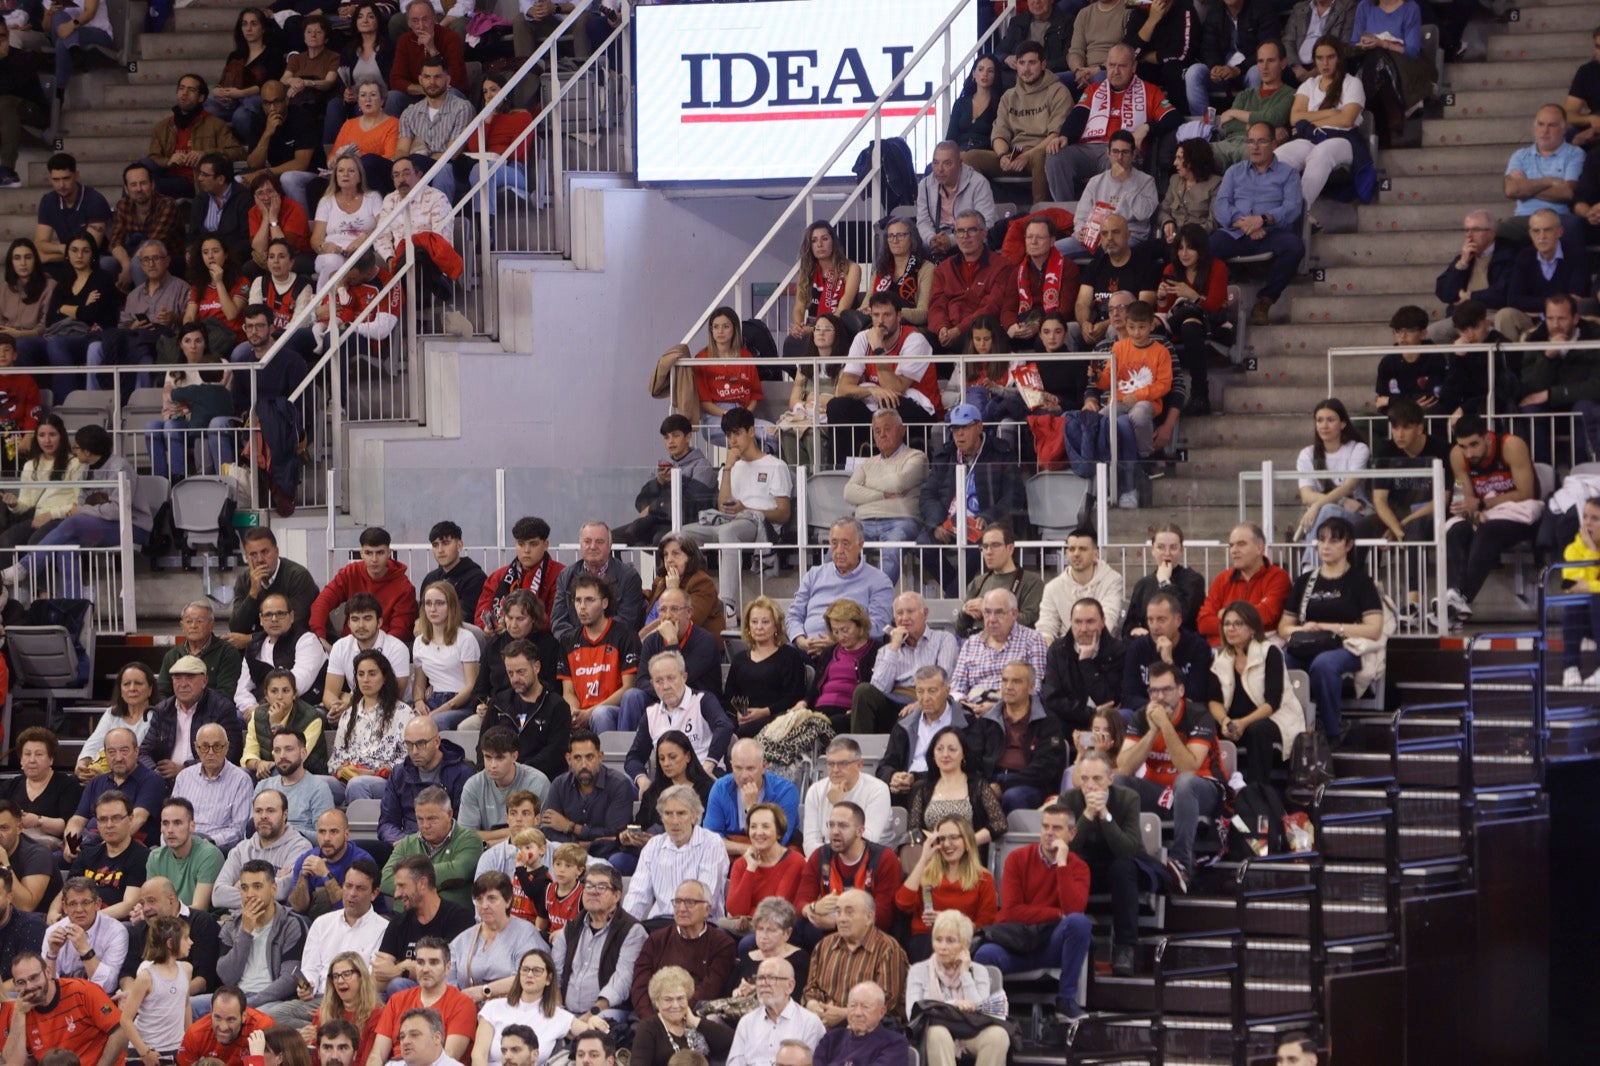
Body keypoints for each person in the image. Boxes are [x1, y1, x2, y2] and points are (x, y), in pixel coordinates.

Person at [1116, 661, 1223, 893]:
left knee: (1183, 782)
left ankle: (1182, 862)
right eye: (1154, 691)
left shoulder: (1199, 715)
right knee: (1118, 783)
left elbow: (1189, 767)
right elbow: (1124, 767)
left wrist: (1165, 725)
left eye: (1166, 690)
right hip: (1160, 794)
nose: (1159, 697)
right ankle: (1123, 854)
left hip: (1202, 791)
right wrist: (1153, 730)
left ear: (1181, 690)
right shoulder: (1141, 717)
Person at [1279, 519, 1386, 740]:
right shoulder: (1305, 581)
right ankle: (1291, 730)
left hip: (1346, 646)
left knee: (1324, 664)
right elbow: (1283, 627)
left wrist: (1331, 628)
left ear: (1348, 545)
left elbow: (1374, 629)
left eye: (1334, 540)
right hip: (1307, 643)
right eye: (1321, 540)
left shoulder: (1360, 581)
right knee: (1282, 661)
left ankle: (1331, 731)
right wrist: (1302, 629)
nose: (1325, 546)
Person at [1441, 415, 1541, 624]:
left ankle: (1459, 599)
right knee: (1456, 530)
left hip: (1520, 513)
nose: (1469, 453)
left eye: (1474, 445)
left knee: (1488, 530)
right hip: (1485, 512)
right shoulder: (1457, 456)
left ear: (1487, 437)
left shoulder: (1511, 446)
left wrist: (1482, 506)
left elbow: (1526, 493)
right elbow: (1467, 500)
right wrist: (1474, 514)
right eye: (1463, 446)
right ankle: (1452, 595)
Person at [917, 407, 1027, 597]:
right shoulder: (946, 455)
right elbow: (928, 494)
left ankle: (952, 598)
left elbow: (1014, 496)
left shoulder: (999, 453)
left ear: (979, 427)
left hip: (983, 521)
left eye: (965, 428)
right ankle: (959, 593)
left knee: (983, 547)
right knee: (923, 543)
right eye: (955, 429)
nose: (959, 434)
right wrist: (935, 524)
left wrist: (988, 516)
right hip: (949, 521)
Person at [1210, 121, 1305, 326]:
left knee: (1295, 246)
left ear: (1273, 144)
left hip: (1270, 233)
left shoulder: (1288, 174)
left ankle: (1264, 301)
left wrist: (1262, 219)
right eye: (1251, 141)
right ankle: (1216, 305)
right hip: (1236, 232)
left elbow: (1293, 207)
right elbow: (1221, 206)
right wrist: (1245, 223)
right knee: (1206, 248)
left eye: (1261, 141)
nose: (1254, 147)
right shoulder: (1234, 172)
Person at [598, 589, 722, 736]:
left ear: (689, 613)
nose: (668, 616)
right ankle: (628, 753)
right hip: (659, 702)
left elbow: (681, 681)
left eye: (675, 609)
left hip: (695, 706)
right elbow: (642, 681)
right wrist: (662, 691)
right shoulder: (652, 640)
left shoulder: (705, 641)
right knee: (628, 698)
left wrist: (672, 643)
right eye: (662, 610)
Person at [1274, 35, 1366, 228]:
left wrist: (1311, 116)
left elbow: (1346, 119)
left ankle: (1297, 212)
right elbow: (1294, 118)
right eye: (1320, 58)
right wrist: (1331, 112)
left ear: (1339, 58)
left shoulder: (1352, 84)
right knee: (1278, 156)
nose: (1325, 63)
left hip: (1343, 140)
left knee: (1321, 153)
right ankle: (1270, 208)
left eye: (1330, 57)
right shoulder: (1309, 85)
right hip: (1311, 136)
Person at [1210, 600, 1308, 780]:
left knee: (1258, 730)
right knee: (1205, 725)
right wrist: (1224, 721)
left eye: (1238, 624)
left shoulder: (1270, 652)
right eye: (1227, 624)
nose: (1231, 629)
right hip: (1234, 722)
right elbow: (1213, 699)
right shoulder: (1220, 657)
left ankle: (1258, 791)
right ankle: (1216, 787)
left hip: (1274, 718)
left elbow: (1273, 702)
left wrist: (1243, 723)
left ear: (1253, 628)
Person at [962, 42, 1070, 205]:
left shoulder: (1058, 91)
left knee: (1043, 155)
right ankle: (985, 212)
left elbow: (1055, 134)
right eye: (1021, 63)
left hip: (1039, 152)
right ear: (1016, 65)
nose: (1026, 69)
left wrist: (1027, 156)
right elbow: (999, 133)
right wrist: (1002, 155)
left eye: (1032, 63)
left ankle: (1039, 213)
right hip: (1013, 154)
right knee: (971, 157)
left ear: (1043, 64)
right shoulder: (1009, 96)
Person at [13, 232, 118, 396]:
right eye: (74, 250)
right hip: (59, 333)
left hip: (91, 336)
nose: (79, 255)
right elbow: (51, 320)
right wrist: (81, 307)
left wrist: (64, 308)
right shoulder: (63, 281)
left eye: (85, 251)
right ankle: (32, 398)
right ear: (67, 255)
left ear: (93, 255)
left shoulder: (102, 278)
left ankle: (65, 403)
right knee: (23, 345)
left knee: (57, 344)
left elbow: (92, 315)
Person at [907, 910, 1013, 1064]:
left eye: (950, 941)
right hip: (935, 1031)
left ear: (966, 945)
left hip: (970, 1031)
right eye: (938, 939)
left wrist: (965, 974)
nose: (942, 947)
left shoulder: (979, 971)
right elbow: (913, 1011)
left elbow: (982, 1012)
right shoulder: (919, 971)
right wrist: (953, 1005)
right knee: (938, 1033)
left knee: (998, 1036)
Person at [551, 864, 646, 1026]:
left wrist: (590, 1014)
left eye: (601, 887)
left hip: (606, 1012)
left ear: (617, 896)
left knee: (595, 1024)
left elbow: (622, 981)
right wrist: (559, 1011)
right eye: (588, 885)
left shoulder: (632, 931)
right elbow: (555, 973)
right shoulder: (571, 927)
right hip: (566, 1011)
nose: (593, 891)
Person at [794, 799, 903, 940]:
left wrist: (836, 921)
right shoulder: (820, 855)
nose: (834, 831)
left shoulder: (884, 858)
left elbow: (883, 915)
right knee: (799, 926)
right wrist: (813, 909)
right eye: (831, 825)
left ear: (860, 831)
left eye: (843, 826)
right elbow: (800, 903)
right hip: (826, 931)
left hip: (870, 933)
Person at [843, 411, 929, 587]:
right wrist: (882, 494)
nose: (882, 434)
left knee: (891, 548)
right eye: (877, 431)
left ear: (902, 430)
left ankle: (877, 597)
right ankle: (839, 597)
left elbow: (899, 482)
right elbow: (848, 492)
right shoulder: (868, 463)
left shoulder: (917, 457)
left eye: (887, 429)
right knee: (839, 547)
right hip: (863, 522)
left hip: (901, 521)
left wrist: (866, 485)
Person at [851, 593, 958, 734]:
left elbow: (942, 680)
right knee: (863, 691)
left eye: (910, 612)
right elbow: (878, 688)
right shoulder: (886, 651)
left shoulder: (944, 640)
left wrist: (920, 703)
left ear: (925, 613)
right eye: (899, 613)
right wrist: (894, 647)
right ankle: (860, 751)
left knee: (914, 713)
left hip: (923, 699)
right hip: (892, 702)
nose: (904, 618)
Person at [621, 785, 730, 923]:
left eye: (681, 813)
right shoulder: (654, 845)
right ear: (661, 817)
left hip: (700, 925)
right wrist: (624, 928)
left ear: (694, 815)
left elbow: (705, 898)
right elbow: (637, 895)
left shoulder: (711, 843)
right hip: (659, 923)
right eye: (668, 814)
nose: (674, 821)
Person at [894, 817, 996, 962]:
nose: (947, 844)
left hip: (962, 941)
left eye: (953, 837)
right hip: (925, 940)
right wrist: (923, 859)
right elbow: (903, 904)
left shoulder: (983, 878)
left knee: (948, 947)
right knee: (930, 945)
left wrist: (948, 921)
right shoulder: (926, 873)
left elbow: (985, 924)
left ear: (967, 842)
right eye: (941, 839)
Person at [216, 859, 309, 1017]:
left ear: (273, 889)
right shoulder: (231, 926)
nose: (250, 895)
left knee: (260, 1017)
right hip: (235, 997)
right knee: (192, 1006)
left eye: (257, 887)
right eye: (244, 888)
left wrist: (247, 1003)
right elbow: (226, 976)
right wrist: (245, 931)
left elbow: (290, 979)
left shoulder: (291, 924)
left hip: (272, 1001)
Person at [629, 879, 737, 1015]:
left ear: (707, 910)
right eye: (678, 902)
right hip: (652, 1014)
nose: (681, 908)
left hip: (694, 1015)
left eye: (690, 902)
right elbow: (639, 985)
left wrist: (674, 1014)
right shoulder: (656, 939)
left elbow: (710, 990)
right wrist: (650, 1018)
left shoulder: (722, 944)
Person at [802, 892, 909, 1027]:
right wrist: (813, 1005)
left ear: (869, 917)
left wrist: (845, 1013)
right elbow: (812, 988)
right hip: (823, 1022)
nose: (842, 919)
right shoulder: (824, 945)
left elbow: (887, 1002)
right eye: (838, 912)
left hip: (870, 1027)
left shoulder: (887, 949)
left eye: (849, 912)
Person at [371, 859, 474, 993]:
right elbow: (376, 980)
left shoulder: (458, 918)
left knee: (398, 984)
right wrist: (404, 968)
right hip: (400, 997)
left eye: (402, 886)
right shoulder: (398, 922)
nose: (396, 894)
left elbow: (446, 973)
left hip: (442, 997)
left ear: (422, 884)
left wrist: (401, 971)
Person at [3, 952, 124, 1066]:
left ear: (48, 972)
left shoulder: (82, 991)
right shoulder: (20, 1010)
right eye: (21, 982)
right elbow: (13, 1063)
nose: (29, 986)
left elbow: (121, 1030)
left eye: (34, 977)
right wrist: (19, 1014)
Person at [613, 423, 720, 553]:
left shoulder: (702, 466)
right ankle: (618, 573)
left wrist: (654, 507)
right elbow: (641, 502)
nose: (671, 441)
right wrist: (659, 482)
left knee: (662, 541)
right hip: (655, 520)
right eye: (666, 437)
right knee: (611, 538)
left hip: (686, 521)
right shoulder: (662, 465)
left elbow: (691, 503)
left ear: (688, 437)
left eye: (675, 436)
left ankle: (663, 574)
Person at [367, 940, 477, 1065]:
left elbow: (449, 1055)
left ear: (448, 968)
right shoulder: (397, 1000)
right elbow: (377, 1054)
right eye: (420, 962)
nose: (425, 969)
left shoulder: (462, 1003)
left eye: (433, 962)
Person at [445, 873, 546, 1007]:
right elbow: (448, 981)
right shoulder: (462, 940)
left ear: (508, 901)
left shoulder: (526, 935)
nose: (484, 905)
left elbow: (528, 977)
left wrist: (484, 991)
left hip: (513, 1010)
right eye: (479, 899)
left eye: (492, 899)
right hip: (467, 1011)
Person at [327, 650, 415, 803]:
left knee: (357, 784)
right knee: (320, 784)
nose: (365, 680)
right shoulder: (348, 715)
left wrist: (371, 772)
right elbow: (336, 758)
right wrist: (343, 770)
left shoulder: (403, 712)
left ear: (385, 677)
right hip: (348, 778)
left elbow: (408, 759)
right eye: (360, 674)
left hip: (384, 781)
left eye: (372, 674)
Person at [1491, 210, 1592, 341]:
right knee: (1505, 315)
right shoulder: (1524, 256)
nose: (1542, 236)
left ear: (1560, 232)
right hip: (1531, 319)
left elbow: (1575, 298)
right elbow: (1514, 300)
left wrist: (1536, 305)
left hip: (1562, 320)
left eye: (1547, 230)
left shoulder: (1575, 255)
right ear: (1530, 234)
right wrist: (1551, 303)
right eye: (1536, 231)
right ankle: (1511, 361)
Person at [979, 661, 1067, 810]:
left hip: (1029, 785)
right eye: (1005, 680)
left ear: (1032, 687)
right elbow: (973, 758)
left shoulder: (1047, 722)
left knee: (1013, 797)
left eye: (1016, 681)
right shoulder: (987, 720)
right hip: (991, 781)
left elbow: (1046, 768)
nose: (1008, 687)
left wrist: (1004, 784)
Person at [1058, 131, 1160, 257]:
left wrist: (1126, 183)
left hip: (1129, 238)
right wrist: (1080, 231)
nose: (1119, 157)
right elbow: (1081, 215)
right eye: (1115, 152)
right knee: (1053, 249)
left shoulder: (1146, 181)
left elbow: (1143, 213)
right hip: (1096, 237)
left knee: (1113, 252)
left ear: (1133, 155)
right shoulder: (1095, 181)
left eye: (1125, 152)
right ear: (1108, 153)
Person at [65, 726, 165, 854]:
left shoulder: (152, 780)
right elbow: (77, 820)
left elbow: (138, 818)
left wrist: (103, 848)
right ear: (105, 754)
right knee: (53, 859)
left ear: (136, 751)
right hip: (91, 845)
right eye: (112, 752)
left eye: (124, 751)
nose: (118, 758)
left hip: (131, 849)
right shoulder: (96, 782)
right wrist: (71, 844)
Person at [311, 526, 419, 644]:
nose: (374, 559)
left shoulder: (404, 587)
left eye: (380, 553)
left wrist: (376, 653)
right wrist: (320, 638)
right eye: (368, 553)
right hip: (349, 645)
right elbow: (322, 603)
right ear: (361, 553)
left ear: (389, 553)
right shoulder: (349, 573)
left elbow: (400, 631)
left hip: (384, 650)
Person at [381, 786, 484, 909]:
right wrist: (440, 883)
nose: (425, 825)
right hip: (406, 920)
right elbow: (385, 880)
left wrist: (406, 882)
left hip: (450, 921)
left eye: (432, 819)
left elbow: (459, 872)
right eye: (420, 819)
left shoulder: (469, 840)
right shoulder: (407, 843)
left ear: (449, 814)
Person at [472, 949, 579, 1066]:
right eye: (525, 970)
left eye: (537, 971)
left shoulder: (559, 1016)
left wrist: (596, 1019)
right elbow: (479, 1055)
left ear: (548, 979)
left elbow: (594, 1037)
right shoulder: (493, 1007)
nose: (529, 974)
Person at [211, 790, 313, 912]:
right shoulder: (241, 849)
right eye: (258, 811)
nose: (263, 816)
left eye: (271, 811)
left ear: (285, 815)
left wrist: (240, 885)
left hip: (279, 923)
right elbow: (218, 895)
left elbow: (282, 890)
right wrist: (270, 883)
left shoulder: (299, 847)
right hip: (238, 921)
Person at [906, 728, 1007, 851]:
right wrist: (938, 843)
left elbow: (999, 823)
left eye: (952, 749)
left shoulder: (978, 786)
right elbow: (913, 829)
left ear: (963, 753)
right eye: (939, 749)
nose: (945, 755)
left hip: (969, 856)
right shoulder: (922, 788)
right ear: (933, 754)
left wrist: (967, 843)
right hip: (933, 857)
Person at [1072, 213, 1162, 351]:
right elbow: (1082, 303)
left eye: (1115, 232)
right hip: (1094, 325)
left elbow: (1143, 307)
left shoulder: (1145, 265)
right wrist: (1084, 324)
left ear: (1128, 234)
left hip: (1129, 325)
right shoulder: (1095, 266)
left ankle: (1112, 371)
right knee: (1065, 331)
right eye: (1104, 233)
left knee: (1114, 330)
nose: (1110, 238)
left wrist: (1107, 324)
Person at [1294, 398, 1371, 556]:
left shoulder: (1358, 449)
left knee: (1326, 508)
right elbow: (1306, 495)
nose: (1324, 425)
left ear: (1343, 424)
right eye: (1320, 420)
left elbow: (1349, 486)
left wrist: (1317, 505)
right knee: (1327, 509)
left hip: (1357, 515)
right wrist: (1341, 501)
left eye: (1331, 420)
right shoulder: (1307, 454)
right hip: (1323, 516)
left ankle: (1309, 567)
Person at [539, 731, 633, 861]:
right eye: (577, 758)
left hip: (607, 856)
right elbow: (550, 832)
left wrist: (570, 827)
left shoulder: (619, 785)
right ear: (568, 759)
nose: (584, 765)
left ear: (600, 757)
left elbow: (614, 835)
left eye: (589, 757)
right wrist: (583, 845)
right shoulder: (559, 785)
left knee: (618, 859)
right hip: (568, 858)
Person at [925, 214, 1012, 354]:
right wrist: (942, 328)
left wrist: (959, 329)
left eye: (971, 230)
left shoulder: (1002, 266)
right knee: (923, 342)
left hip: (981, 331)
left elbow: (992, 306)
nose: (965, 236)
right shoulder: (943, 268)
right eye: (960, 231)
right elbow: (936, 305)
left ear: (984, 233)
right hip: (948, 330)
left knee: (965, 341)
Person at [792, 600, 882, 734]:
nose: (840, 636)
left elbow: (874, 688)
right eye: (835, 631)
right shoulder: (830, 651)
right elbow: (815, 687)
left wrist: (858, 709)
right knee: (783, 724)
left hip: (847, 711)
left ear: (860, 625)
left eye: (845, 630)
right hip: (819, 709)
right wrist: (804, 703)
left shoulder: (876, 650)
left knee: (821, 726)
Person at [950, 588, 1049, 710]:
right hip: (972, 711)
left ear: (1014, 614)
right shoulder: (971, 643)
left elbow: (1035, 688)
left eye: (999, 613)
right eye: (987, 612)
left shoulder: (1032, 640)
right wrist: (967, 707)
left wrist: (997, 708)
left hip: (1013, 711)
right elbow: (956, 688)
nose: (992, 619)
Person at [725, 597, 809, 739]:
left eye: (765, 622)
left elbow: (793, 697)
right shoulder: (740, 659)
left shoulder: (789, 656)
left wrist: (764, 712)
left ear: (776, 626)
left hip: (778, 718)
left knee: (743, 733)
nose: (759, 627)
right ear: (748, 626)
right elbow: (730, 696)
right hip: (744, 720)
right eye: (754, 622)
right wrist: (740, 713)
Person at [1041, 597, 1128, 732]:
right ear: (1070, 622)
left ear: (1103, 622)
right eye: (1078, 622)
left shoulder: (1118, 651)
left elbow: (1110, 700)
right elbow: (1052, 699)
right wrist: (1089, 713)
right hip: (1067, 722)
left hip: (1107, 724)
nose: (1084, 628)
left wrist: (1086, 663)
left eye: (1090, 622)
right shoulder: (1057, 650)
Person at [1198, 523, 1294, 644]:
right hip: (1221, 649)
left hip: (1260, 645)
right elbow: (1204, 623)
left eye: (1241, 544)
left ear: (1260, 548)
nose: (1234, 550)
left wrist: (1226, 615)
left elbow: (1266, 615)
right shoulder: (1222, 579)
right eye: (1231, 545)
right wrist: (1242, 623)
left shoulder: (1278, 577)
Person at [550, 521, 645, 642]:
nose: (593, 546)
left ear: (610, 546)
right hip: (574, 648)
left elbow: (626, 621)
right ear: (581, 545)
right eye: (587, 541)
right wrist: (580, 643)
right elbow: (558, 621)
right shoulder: (566, 576)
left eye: (599, 542)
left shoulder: (629, 577)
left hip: (613, 647)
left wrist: (595, 641)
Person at [323, 591, 413, 718]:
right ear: (348, 623)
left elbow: (393, 696)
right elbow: (329, 693)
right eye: (355, 619)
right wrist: (336, 708)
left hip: (395, 711)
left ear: (379, 622)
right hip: (355, 709)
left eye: (367, 618)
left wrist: (349, 702)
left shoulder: (397, 648)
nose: (361, 625)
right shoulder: (340, 646)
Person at [118, 913, 192, 1066]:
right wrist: (145, 1052)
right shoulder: (146, 976)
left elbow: (185, 1006)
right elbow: (125, 1019)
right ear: (170, 943)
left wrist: (189, 1041)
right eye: (186, 938)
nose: (191, 942)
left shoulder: (186, 970)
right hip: (147, 1050)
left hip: (175, 1048)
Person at [1121, 591, 1213, 712]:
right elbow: (1128, 697)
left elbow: (1195, 697)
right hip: (1147, 712)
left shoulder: (1198, 647)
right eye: (1150, 620)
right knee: (1124, 715)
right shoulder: (1137, 648)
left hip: (1185, 716)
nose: (1154, 627)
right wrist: (1157, 708)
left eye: (1161, 620)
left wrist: (1169, 662)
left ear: (1178, 620)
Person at [230, 527, 321, 650]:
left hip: (301, 644)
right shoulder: (244, 579)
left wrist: (251, 639)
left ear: (276, 552)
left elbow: (293, 625)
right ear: (246, 557)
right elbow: (237, 628)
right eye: (253, 554)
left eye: (265, 552)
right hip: (264, 646)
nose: (260, 560)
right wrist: (253, 593)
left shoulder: (297, 576)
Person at [725, 958, 826, 1066]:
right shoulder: (747, 1022)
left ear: (790, 986)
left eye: (771, 978)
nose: (764, 983)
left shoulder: (810, 1023)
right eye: (760, 978)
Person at [170, 723, 255, 852]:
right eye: (205, 747)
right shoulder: (184, 777)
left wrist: (209, 841)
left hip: (217, 848)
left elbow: (238, 830)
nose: (211, 752)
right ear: (197, 748)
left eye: (217, 747)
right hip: (182, 845)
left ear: (226, 747)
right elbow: (172, 817)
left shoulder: (241, 780)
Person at [461, 727, 553, 845]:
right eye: (488, 757)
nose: (492, 765)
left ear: (514, 756)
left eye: (500, 758)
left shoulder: (537, 783)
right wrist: (511, 832)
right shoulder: (473, 785)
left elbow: (539, 834)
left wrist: (489, 843)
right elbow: (466, 837)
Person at [631, 964, 736, 1065]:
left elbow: (735, 1042)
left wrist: (695, 1022)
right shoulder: (648, 1028)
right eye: (668, 999)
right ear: (657, 1002)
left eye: (680, 998)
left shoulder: (697, 1022)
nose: (675, 1005)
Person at [800, 742, 894, 856]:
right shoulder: (815, 791)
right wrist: (828, 862)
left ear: (859, 765)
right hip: (826, 863)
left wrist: (839, 805)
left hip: (873, 860)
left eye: (843, 764)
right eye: (830, 764)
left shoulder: (878, 790)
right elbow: (810, 843)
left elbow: (868, 841)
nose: (835, 770)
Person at [724, 804, 805, 930]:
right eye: (753, 827)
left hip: (779, 929)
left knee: (746, 944)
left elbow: (776, 910)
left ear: (779, 833)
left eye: (766, 826)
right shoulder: (741, 864)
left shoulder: (795, 861)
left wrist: (748, 915)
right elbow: (735, 911)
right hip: (744, 928)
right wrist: (750, 869)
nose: (758, 832)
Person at [915, 142, 997, 266]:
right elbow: (923, 220)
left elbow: (987, 222)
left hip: (967, 237)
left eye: (947, 163)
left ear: (960, 163)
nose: (940, 169)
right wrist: (932, 239)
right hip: (936, 239)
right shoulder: (924, 185)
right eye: (936, 163)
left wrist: (952, 240)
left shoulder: (978, 183)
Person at [786, 222, 860, 358]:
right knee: (791, 343)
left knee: (817, 341)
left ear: (833, 242)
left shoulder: (851, 269)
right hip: (812, 327)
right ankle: (803, 378)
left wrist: (816, 329)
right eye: (814, 241)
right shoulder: (807, 271)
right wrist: (798, 326)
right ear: (810, 246)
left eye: (824, 239)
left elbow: (843, 308)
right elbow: (799, 307)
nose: (819, 244)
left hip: (839, 328)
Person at [1039, 526, 1127, 640]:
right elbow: (1046, 627)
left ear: (1096, 554)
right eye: (1072, 549)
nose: (1076, 553)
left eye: (1083, 549)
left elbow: (1108, 620)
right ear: (1066, 553)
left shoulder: (1112, 580)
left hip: (1102, 648)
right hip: (1065, 650)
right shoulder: (1052, 588)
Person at [286, 811, 378, 919]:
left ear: (346, 834)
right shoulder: (306, 859)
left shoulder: (361, 861)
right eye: (322, 832)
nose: (326, 838)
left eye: (334, 832)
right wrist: (303, 877)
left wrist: (326, 874)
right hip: (316, 924)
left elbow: (350, 910)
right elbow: (297, 909)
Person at [5, 728, 81, 852]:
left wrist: (37, 821)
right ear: (21, 759)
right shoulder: (11, 785)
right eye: (27, 754)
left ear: (51, 759)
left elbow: (67, 825)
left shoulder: (67, 784)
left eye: (39, 754)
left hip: (49, 845)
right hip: (12, 842)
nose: (32, 760)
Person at [1124, 525, 1207, 638]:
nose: (1167, 553)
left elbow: (1184, 617)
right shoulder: (1143, 584)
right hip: (1148, 646)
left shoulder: (1194, 580)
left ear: (1181, 550)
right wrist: (1134, 631)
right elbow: (1129, 625)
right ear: (1152, 549)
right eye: (1161, 547)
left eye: (1173, 547)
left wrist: (1164, 582)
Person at [32, 154, 111, 270]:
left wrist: (48, 257)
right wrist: (62, 248)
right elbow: (40, 243)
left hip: (97, 257)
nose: (61, 185)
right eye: (56, 180)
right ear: (49, 179)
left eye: (66, 178)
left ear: (76, 175)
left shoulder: (95, 200)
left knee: (106, 264)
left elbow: (90, 248)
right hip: (67, 256)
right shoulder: (48, 201)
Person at [253, 728, 335, 839]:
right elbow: (250, 830)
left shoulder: (319, 788)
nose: (282, 755)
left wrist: (282, 830)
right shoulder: (263, 787)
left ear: (303, 754)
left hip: (302, 851)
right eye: (277, 750)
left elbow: (324, 837)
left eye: (289, 749)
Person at [147, 798, 225, 911]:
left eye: (177, 823)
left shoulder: (209, 855)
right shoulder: (155, 857)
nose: (170, 830)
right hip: (165, 922)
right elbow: (152, 901)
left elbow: (199, 908)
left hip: (199, 923)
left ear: (192, 826)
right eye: (165, 823)